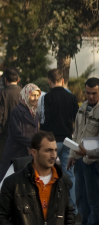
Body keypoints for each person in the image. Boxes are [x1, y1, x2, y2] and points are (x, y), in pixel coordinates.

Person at [39, 68, 79, 200]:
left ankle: (54, 205)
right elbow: (77, 119)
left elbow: (44, 121)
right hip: (68, 140)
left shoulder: (46, 98)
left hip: (52, 141)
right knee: (69, 174)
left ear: (49, 81)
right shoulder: (71, 97)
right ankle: (72, 208)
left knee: (50, 173)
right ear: (62, 80)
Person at [68, 76, 99, 225]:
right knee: (81, 196)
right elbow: (77, 133)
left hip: (93, 161)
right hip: (79, 159)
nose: (90, 96)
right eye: (87, 93)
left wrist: (90, 151)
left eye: (94, 93)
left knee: (94, 198)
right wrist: (72, 155)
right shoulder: (83, 108)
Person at [0, 83, 40, 181]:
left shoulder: (35, 112)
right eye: (33, 95)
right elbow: (16, 133)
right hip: (16, 151)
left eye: (37, 96)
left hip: (28, 152)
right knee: (9, 179)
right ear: (26, 95)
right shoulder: (17, 111)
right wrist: (32, 144)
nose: (36, 98)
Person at [0, 68, 22, 157]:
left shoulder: (1, 94)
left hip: (4, 135)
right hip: (21, 134)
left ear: (5, 80)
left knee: (3, 164)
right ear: (17, 80)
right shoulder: (24, 93)